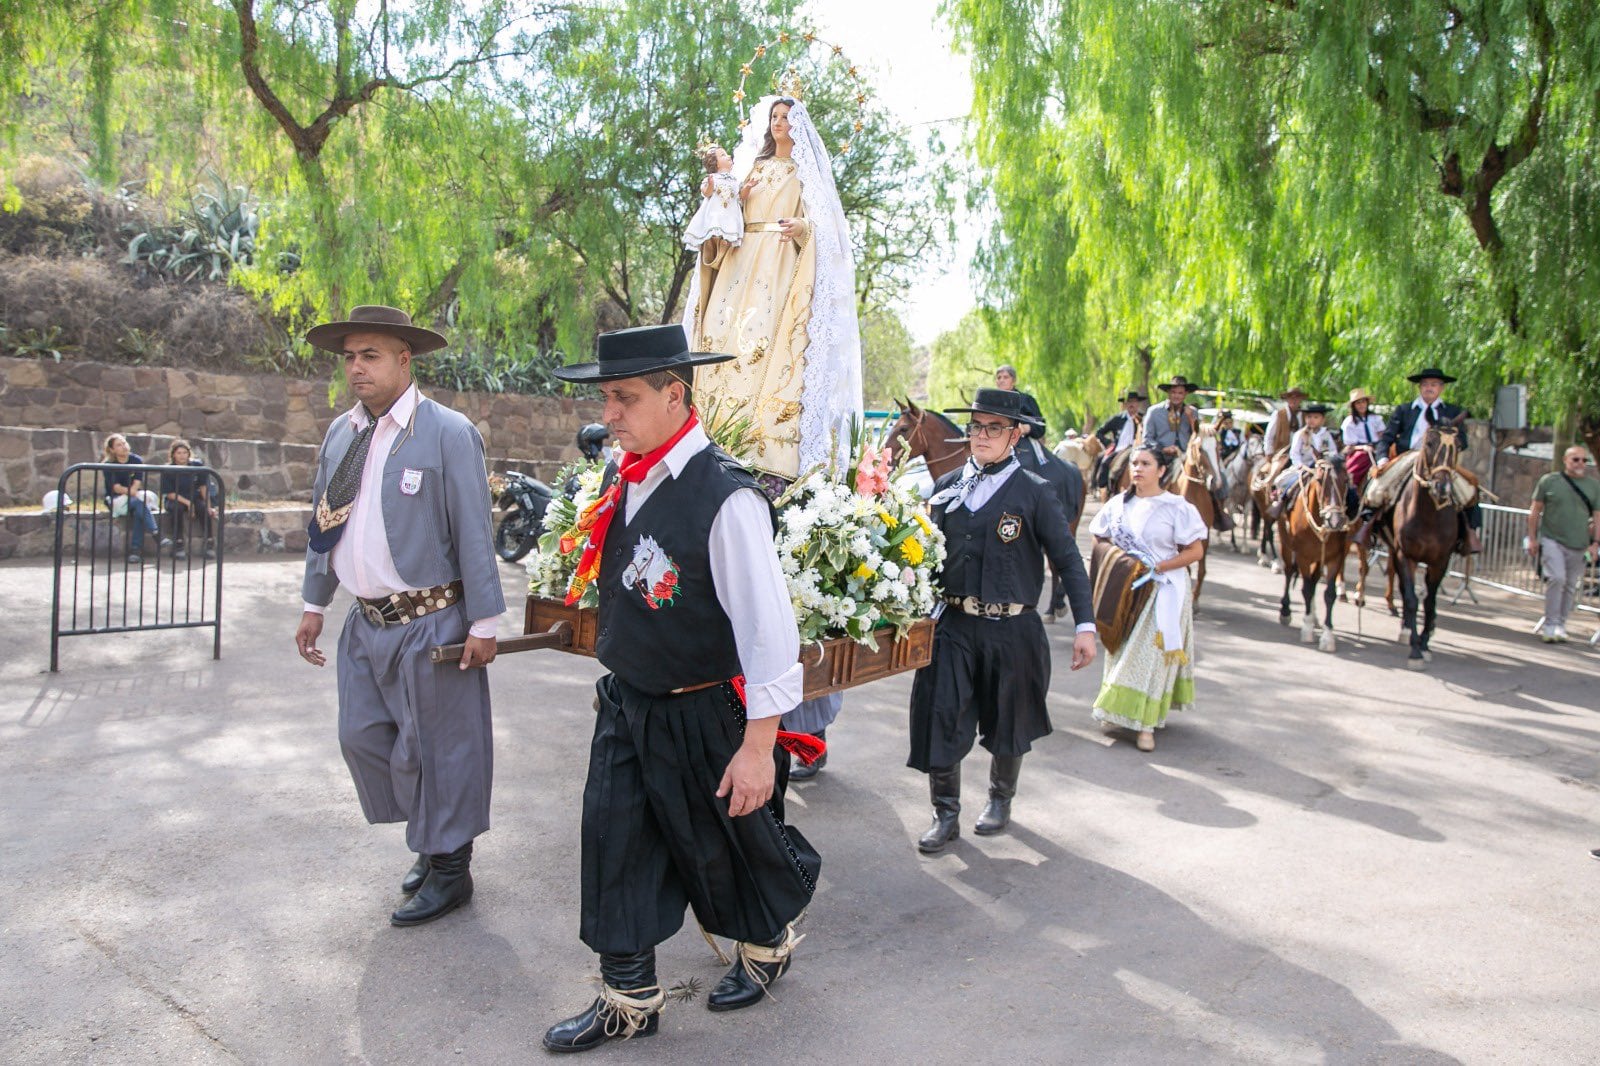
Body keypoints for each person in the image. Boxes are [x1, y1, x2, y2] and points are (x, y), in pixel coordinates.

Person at [541, 324, 820, 1053]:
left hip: (703, 709)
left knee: (721, 848)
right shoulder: (624, 477)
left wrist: (758, 748)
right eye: (607, 398)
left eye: (625, 398)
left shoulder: (726, 498)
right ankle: (628, 996)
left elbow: (768, 634)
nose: (612, 414)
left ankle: (765, 944)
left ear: (675, 394)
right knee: (613, 839)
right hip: (628, 699)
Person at [293, 305, 503, 929]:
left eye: (371, 356)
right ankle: (432, 839)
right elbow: (323, 524)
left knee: (441, 750)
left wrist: (484, 622)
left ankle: (449, 868)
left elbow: (474, 532)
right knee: (363, 736)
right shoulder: (341, 434)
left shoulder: (447, 432)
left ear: (405, 360)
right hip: (366, 623)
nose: (357, 368)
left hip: (433, 621)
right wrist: (314, 603)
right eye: (350, 357)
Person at [908, 388, 1097, 854]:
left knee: (1010, 717)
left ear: (1015, 435)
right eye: (976, 426)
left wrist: (1086, 626)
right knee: (941, 714)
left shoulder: (1035, 492)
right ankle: (944, 812)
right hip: (952, 625)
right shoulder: (946, 487)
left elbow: (1069, 562)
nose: (982, 435)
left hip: (1012, 629)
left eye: (994, 428)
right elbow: (924, 558)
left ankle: (999, 799)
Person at [686, 93, 862, 481]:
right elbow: (731, 206)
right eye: (775, 116)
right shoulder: (755, 166)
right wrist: (719, 206)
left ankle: (758, 443)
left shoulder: (805, 174)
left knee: (762, 342)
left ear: (799, 124)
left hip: (779, 267)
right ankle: (710, 430)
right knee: (721, 342)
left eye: (786, 116)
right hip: (738, 260)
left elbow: (826, 233)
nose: (779, 122)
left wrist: (803, 229)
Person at [1090, 444, 1208, 752]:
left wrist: (1161, 565)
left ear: (1161, 470)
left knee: (1149, 658)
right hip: (1127, 586)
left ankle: (1145, 726)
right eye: (1134, 463)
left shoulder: (1177, 507)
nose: (1137, 468)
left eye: (1145, 463)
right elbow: (1099, 536)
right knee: (1121, 649)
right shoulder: (1117, 504)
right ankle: (1118, 709)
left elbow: (1195, 551)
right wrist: (1117, 561)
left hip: (1163, 589)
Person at [1352, 367, 1481, 553]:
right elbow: (1386, 438)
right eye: (1426, 384)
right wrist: (1381, 459)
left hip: (1441, 462)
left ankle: (1468, 536)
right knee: (1375, 488)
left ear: (1441, 388)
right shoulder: (1404, 410)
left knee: (1470, 491)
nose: (1430, 388)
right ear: (1420, 387)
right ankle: (1369, 529)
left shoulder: (1453, 412)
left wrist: (1450, 444)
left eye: (1434, 384)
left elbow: (1463, 442)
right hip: (1408, 458)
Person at [1527, 445, 1600, 643]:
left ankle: (1560, 623)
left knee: (1569, 586)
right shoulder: (1549, 481)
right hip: (1552, 539)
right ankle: (1550, 624)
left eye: (1584, 460)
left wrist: (1596, 543)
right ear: (1565, 461)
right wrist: (1532, 538)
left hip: (1579, 543)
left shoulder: (1593, 486)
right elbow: (1534, 512)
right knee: (1557, 578)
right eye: (1576, 459)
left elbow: (1597, 516)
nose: (1580, 464)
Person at [1143, 375, 1231, 531]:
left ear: (1185, 395)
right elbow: (1147, 439)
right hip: (1162, 455)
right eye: (1174, 392)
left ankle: (1218, 513)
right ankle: (1147, 513)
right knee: (1152, 479)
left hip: (1188, 455)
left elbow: (1199, 435)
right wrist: (1163, 448)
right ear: (1169, 393)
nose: (1177, 396)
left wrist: (1191, 419)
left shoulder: (1193, 412)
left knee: (1217, 478)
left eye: (1180, 393)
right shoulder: (1154, 412)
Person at [1268, 403, 1338, 519]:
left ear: (1322, 419)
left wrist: (1326, 462)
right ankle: (1282, 501)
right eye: (1309, 417)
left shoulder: (1327, 435)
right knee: (1286, 482)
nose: (1312, 420)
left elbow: (1333, 452)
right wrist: (1300, 465)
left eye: (1316, 417)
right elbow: (1294, 453)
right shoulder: (1300, 434)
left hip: (1322, 468)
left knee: (1337, 483)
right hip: (1304, 468)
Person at [101, 432, 162, 563]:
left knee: (140, 509)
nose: (123, 446)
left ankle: (136, 551)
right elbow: (116, 488)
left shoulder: (136, 460)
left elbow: (137, 483)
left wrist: (133, 492)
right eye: (119, 445)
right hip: (116, 499)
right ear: (112, 449)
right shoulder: (109, 464)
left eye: (124, 443)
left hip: (134, 497)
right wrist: (132, 492)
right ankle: (155, 533)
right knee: (140, 503)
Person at [682, 142, 744, 253]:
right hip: (716, 214)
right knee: (716, 228)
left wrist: (748, 187)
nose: (729, 156)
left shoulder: (735, 180)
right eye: (723, 155)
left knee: (729, 231)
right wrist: (710, 184)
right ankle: (715, 245)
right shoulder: (713, 178)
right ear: (716, 164)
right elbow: (706, 193)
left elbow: (740, 196)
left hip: (731, 214)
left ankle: (726, 245)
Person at [160, 439, 216, 560]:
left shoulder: (197, 466)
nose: (182, 455)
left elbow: (203, 487)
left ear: (189, 454)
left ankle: (209, 542)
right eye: (179, 453)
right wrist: (188, 504)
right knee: (177, 509)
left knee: (202, 508)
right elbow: (169, 493)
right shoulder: (168, 469)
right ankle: (178, 544)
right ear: (173, 454)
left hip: (194, 497)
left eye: (185, 452)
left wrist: (209, 506)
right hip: (176, 498)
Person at [1094, 389, 1145, 490]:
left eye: (1134, 402)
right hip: (1119, 449)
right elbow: (1099, 432)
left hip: (1138, 449)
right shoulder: (1117, 419)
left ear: (1138, 404)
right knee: (1104, 462)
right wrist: (1108, 443)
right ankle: (1106, 488)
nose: (1132, 404)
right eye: (1129, 402)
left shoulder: (1143, 419)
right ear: (1125, 404)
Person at [1340, 387, 1386, 489]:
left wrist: (1381, 445)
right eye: (1358, 403)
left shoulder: (1375, 418)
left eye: (1363, 402)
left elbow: (1382, 435)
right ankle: (1352, 487)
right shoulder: (1349, 422)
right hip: (1360, 449)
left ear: (1367, 403)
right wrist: (1363, 447)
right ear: (1354, 406)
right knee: (1356, 464)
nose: (1361, 405)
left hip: (1377, 446)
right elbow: (1350, 445)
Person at [993, 364, 1047, 440]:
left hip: (1022, 445)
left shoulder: (1026, 399)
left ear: (1014, 381)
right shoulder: (991, 402)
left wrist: (1025, 428)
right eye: (999, 378)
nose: (1001, 380)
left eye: (1005, 377)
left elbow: (1040, 426)